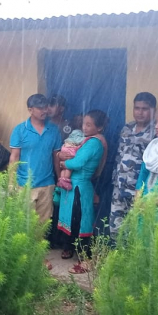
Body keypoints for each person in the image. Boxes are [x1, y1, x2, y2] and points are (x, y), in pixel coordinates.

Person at [57, 110, 107, 273]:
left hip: (80, 187)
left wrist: (64, 162)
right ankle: (70, 248)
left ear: (99, 127)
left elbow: (77, 163)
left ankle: (85, 257)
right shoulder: (85, 140)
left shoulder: (94, 143)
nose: (84, 127)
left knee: (80, 220)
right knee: (71, 219)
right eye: (84, 124)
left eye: (89, 125)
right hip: (73, 185)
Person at [9, 94, 62, 224]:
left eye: (45, 107)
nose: (44, 111)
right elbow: (14, 157)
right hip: (24, 184)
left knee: (43, 224)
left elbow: (56, 157)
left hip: (47, 184)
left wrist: (60, 179)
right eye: (40, 108)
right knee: (24, 224)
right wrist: (11, 182)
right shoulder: (20, 130)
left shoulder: (53, 130)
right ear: (30, 109)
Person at [109, 92, 157, 237]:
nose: (140, 112)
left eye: (145, 109)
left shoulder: (156, 132)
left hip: (140, 188)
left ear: (153, 110)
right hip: (120, 186)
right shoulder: (126, 128)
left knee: (138, 227)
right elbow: (119, 155)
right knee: (115, 226)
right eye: (137, 108)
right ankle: (117, 256)